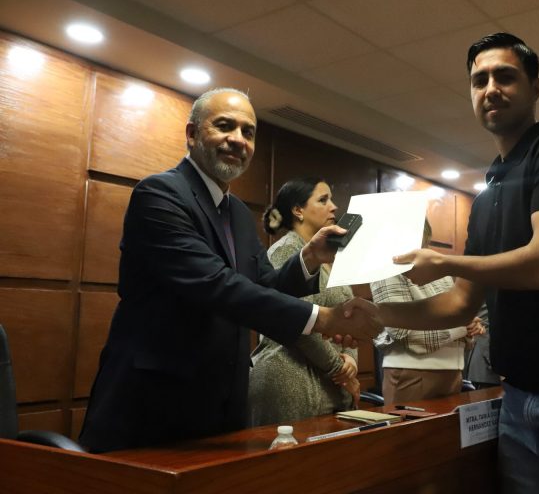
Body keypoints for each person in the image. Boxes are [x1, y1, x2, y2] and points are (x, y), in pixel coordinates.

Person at [352, 33, 539, 493]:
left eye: (505, 77)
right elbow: (459, 305)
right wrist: (376, 315)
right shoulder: (488, 195)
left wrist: (447, 262)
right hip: (518, 398)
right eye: (479, 80)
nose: (490, 89)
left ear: (535, 87)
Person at [79, 88, 380, 453]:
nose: (238, 139)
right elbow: (216, 286)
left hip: (223, 399)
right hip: (154, 400)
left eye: (248, 132)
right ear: (192, 134)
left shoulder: (236, 211)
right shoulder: (159, 194)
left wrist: (311, 257)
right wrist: (324, 319)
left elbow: (265, 284)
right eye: (224, 126)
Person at [249, 177, 359, 425]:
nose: (334, 207)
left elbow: (349, 314)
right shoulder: (284, 250)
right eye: (323, 200)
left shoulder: (333, 257)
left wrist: (351, 359)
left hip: (332, 383)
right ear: (298, 210)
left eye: (331, 199)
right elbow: (294, 320)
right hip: (289, 379)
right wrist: (339, 369)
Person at [370, 220, 486, 405]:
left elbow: (453, 317)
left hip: (453, 370)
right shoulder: (388, 265)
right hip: (412, 371)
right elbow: (401, 330)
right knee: (411, 426)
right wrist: (461, 327)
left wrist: (469, 327)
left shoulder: (435, 264)